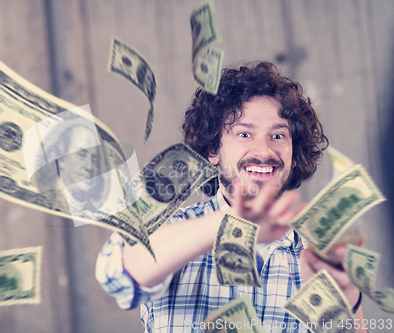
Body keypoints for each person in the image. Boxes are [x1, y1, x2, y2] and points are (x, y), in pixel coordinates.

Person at [96, 62, 365, 332]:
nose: (263, 150)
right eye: (244, 133)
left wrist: (350, 301)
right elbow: (116, 272)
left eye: (278, 135)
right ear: (213, 149)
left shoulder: (318, 255)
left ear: (294, 155)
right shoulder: (172, 229)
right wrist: (231, 224)